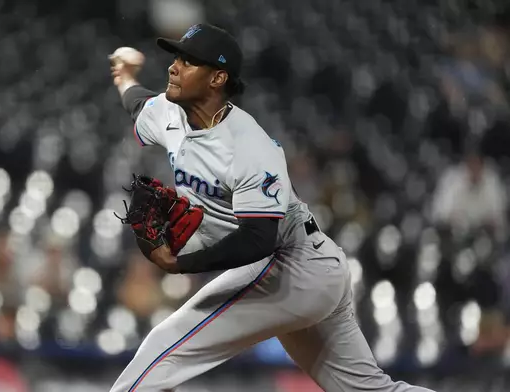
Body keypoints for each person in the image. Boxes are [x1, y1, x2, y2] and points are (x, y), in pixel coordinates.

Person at [109, 23, 434, 392]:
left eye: (188, 61)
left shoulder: (249, 146)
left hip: (293, 265)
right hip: (305, 270)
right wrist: (124, 75)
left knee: (161, 351)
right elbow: (137, 102)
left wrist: (178, 264)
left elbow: (259, 239)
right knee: (370, 389)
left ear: (217, 78)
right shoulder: (169, 112)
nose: (173, 67)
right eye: (176, 58)